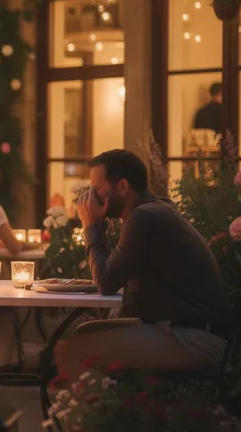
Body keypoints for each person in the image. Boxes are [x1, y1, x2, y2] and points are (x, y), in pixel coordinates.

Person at [56, 149, 229, 379]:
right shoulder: (154, 209)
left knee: (70, 352)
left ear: (123, 187)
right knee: (84, 333)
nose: (91, 198)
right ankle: (117, 406)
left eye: (96, 190)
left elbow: (105, 283)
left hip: (192, 338)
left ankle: (100, 413)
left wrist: (91, 225)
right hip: (184, 329)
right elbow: (113, 272)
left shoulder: (144, 218)